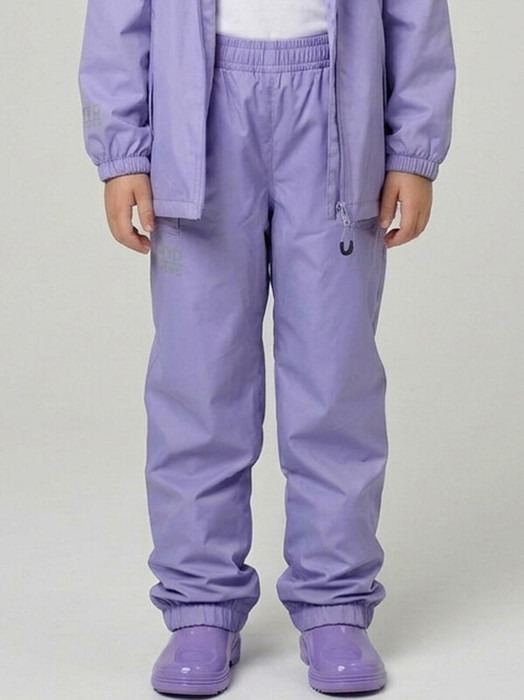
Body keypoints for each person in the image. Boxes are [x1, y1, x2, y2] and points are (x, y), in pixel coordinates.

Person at [78, 0, 456, 695]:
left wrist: (414, 148)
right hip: (198, 122)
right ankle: (200, 605)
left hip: (339, 115)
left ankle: (335, 602)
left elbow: (417, 13)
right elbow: (117, 18)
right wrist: (121, 148)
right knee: (199, 381)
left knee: (335, 380)